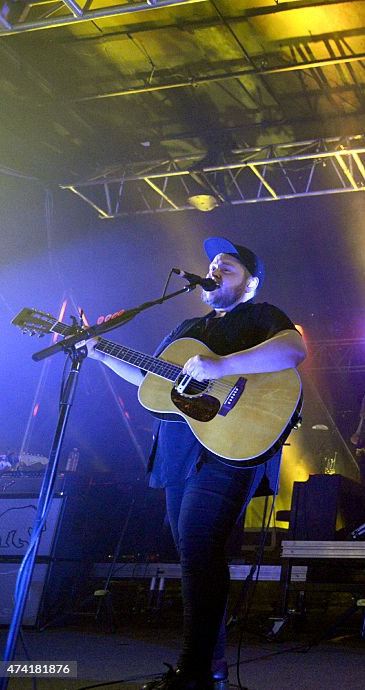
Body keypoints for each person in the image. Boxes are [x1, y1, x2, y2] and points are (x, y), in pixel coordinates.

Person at [81, 237, 307, 690]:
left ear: (250, 282)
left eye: (229, 267)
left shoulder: (262, 316)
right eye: (212, 265)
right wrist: (102, 353)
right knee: (194, 554)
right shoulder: (186, 328)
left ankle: (194, 670)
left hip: (232, 446)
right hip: (181, 450)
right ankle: (210, 666)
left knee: (199, 544)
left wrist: (221, 366)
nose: (216, 270)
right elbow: (151, 382)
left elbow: (292, 351)